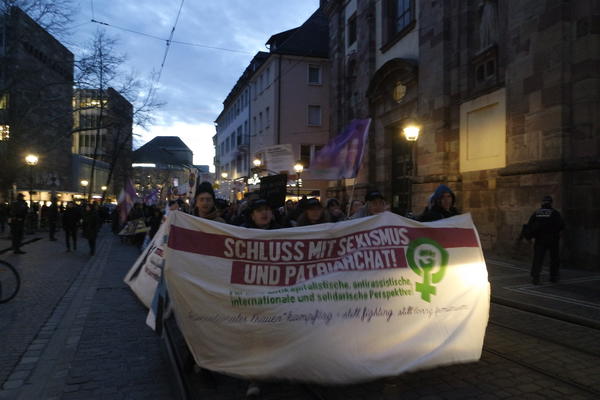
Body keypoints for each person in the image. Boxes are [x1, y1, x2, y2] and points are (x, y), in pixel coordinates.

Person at [527, 195, 565, 285]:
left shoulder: (536, 213)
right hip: (553, 240)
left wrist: (531, 236)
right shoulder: (554, 213)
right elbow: (561, 225)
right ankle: (553, 277)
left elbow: (530, 225)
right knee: (554, 259)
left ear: (542, 203)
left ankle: (535, 278)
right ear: (551, 203)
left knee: (538, 259)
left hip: (540, 240)